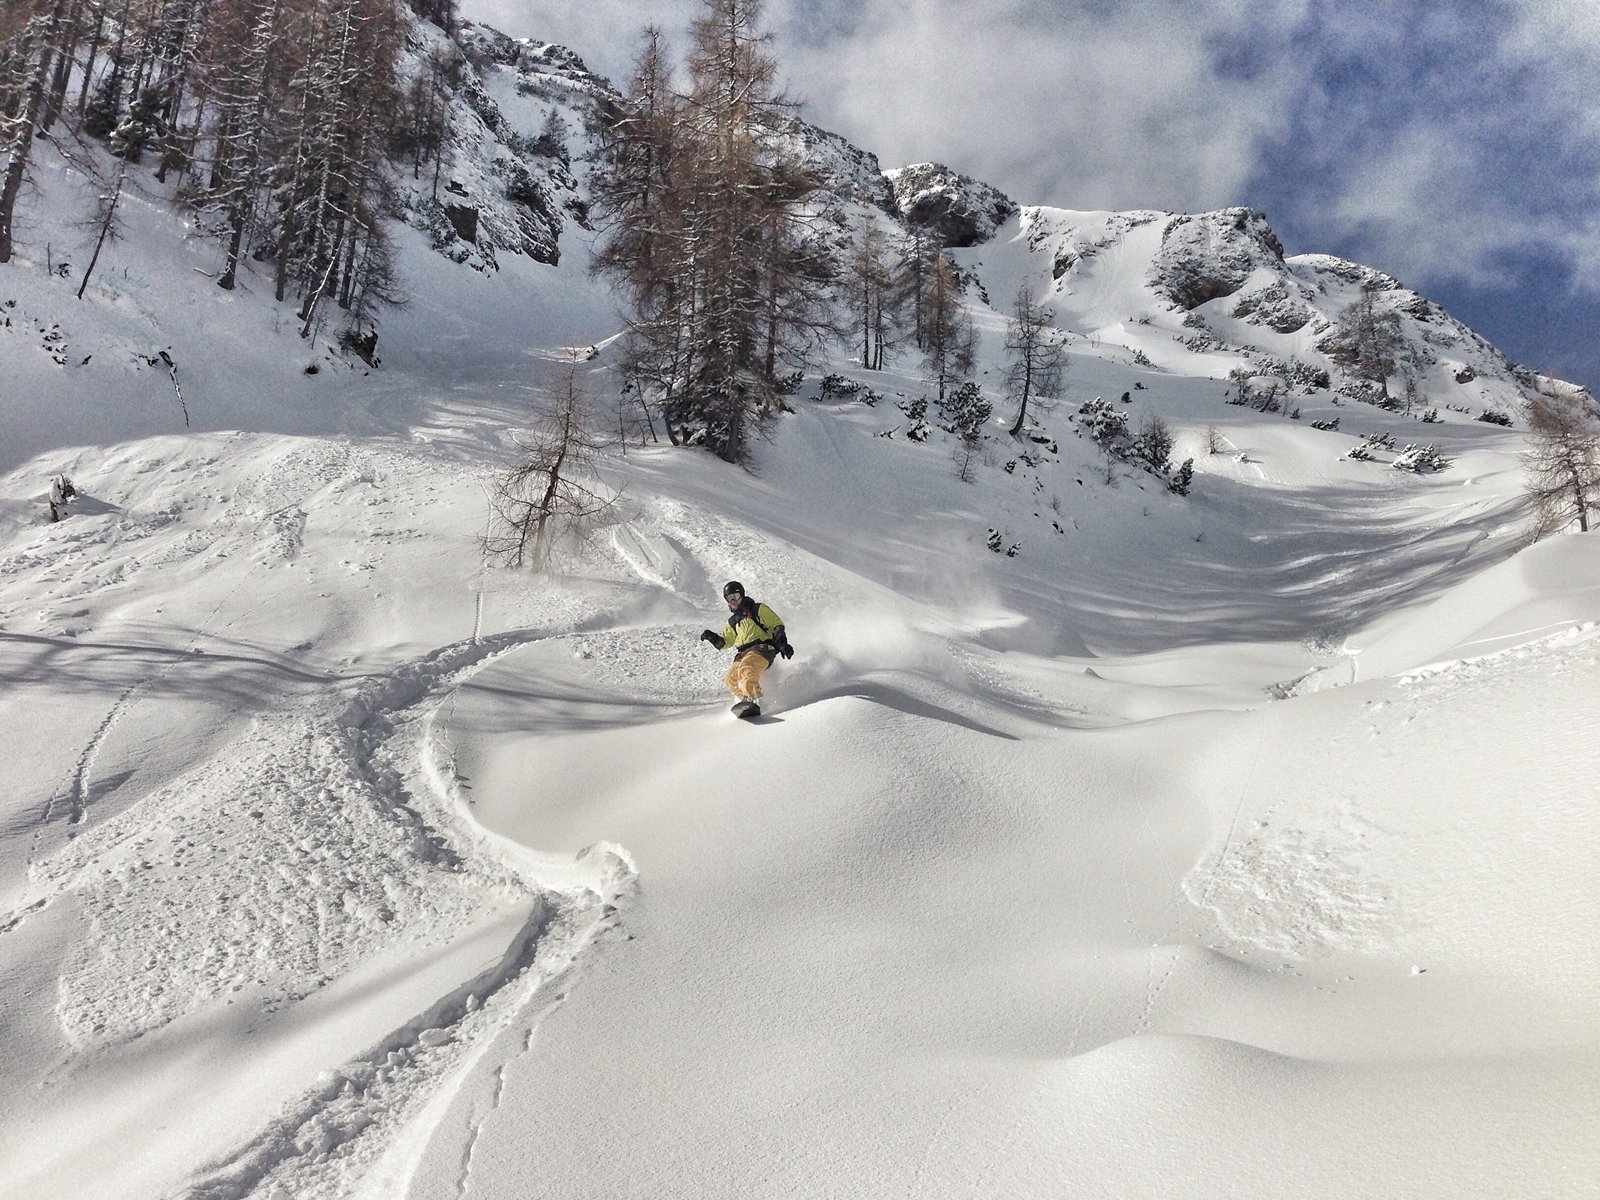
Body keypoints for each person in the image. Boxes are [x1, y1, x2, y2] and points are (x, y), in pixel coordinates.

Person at [699, 580, 793, 713]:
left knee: (746, 668)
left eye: (735, 596)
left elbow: (776, 624)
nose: (733, 601)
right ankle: (745, 702)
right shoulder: (733, 622)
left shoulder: (757, 609)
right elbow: (725, 642)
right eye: (729, 598)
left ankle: (755, 700)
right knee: (730, 678)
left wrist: (782, 644)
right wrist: (712, 637)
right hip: (743, 653)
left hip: (762, 648)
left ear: (742, 595)